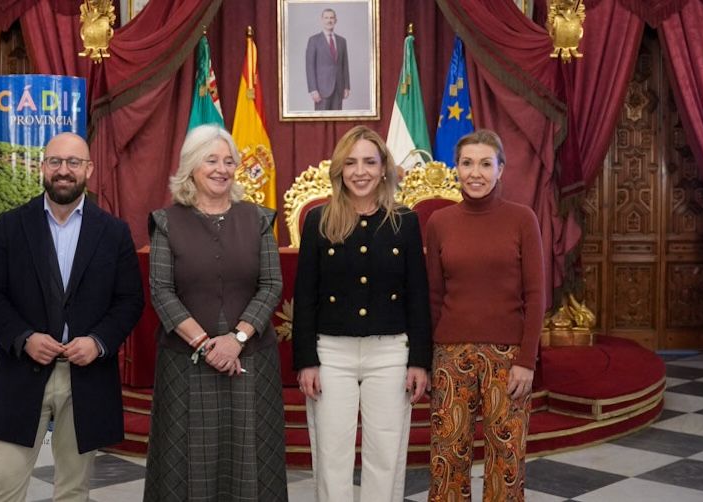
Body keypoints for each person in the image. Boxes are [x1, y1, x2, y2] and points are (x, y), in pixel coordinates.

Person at [0, 132, 144, 502]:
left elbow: (130, 300)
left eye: (73, 162)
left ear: (89, 169)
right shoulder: (11, 225)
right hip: (21, 372)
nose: (63, 170)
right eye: (55, 161)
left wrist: (98, 342)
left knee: (73, 490)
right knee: (4, 485)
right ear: (43, 167)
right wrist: (24, 338)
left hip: (86, 377)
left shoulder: (113, 232)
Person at [143, 124, 288, 501]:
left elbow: (271, 284)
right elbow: (161, 291)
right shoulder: (166, 222)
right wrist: (206, 345)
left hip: (250, 358)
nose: (222, 169)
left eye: (229, 161)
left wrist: (236, 339)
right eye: (211, 160)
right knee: (187, 466)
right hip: (186, 362)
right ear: (191, 166)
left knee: (251, 462)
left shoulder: (259, 219)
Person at [293, 125, 431, 502]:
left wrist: (419, 361)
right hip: (331, 353)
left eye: (369, 162)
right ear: (339, 169)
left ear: (384, 167)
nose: (360, 171)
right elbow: (305, 296)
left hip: (390, 352)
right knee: (331, 453)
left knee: (385, 453)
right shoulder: (319, 220)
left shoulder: (404, 222)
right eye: (351, 163)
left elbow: (418, 297)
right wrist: (306, 361)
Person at [424, 129, 544, 501]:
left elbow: (536, 295)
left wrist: (527, 360)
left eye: (485, 164)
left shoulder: (522, 219)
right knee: (447, 455)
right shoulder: (439, 222)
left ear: (500, 169)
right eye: (467, 163)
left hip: (508, 358)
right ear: (456, 168)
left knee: (506, 458)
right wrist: (428, 359)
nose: (475, 173)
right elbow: (433, 296)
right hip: (450, 355)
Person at [305, 8, 350, 111]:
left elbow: (345, 65)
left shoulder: (342, 41)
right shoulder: (314, 40)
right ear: (322, 20)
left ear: (335, 20)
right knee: (322, 119)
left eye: (331, 18)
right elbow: (309, 66)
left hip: (339, 88)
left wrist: (346, 86)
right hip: (321, 91)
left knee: (337, 119)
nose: (329, 20)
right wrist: (313, 89)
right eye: (326, 18)